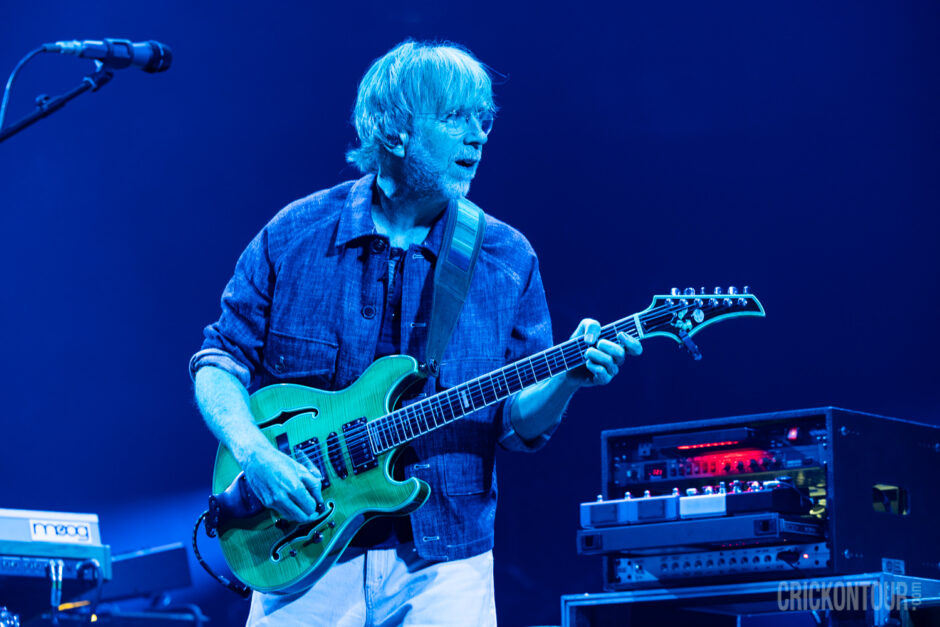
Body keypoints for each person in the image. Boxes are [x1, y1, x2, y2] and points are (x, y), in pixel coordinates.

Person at [190, 40, 642, 626]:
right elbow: (218, 360)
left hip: (445, 564)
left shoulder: (506, 258)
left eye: (483, 120)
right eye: (455, 118)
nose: (477, 137)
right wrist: (254, 454)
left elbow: (516, 427)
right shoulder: (294, 235)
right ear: (393, 131)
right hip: (301, 549)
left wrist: (567, 381)